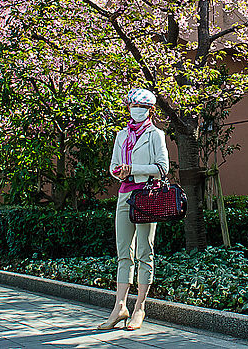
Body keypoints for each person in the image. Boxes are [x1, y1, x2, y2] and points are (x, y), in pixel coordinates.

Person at [98, 87, 170, 331]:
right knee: (123, 253)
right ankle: (119, 306)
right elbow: (114, 166)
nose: (136, 110)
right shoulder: (122, 135)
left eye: (141, 107)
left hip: (146, 195)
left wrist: (134, 169)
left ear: (150, 109)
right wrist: (120, 171)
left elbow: (162, 168)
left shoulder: (155, 134)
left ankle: (139, 307)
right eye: (133, 106)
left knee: (144, 251)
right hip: (124, 194)